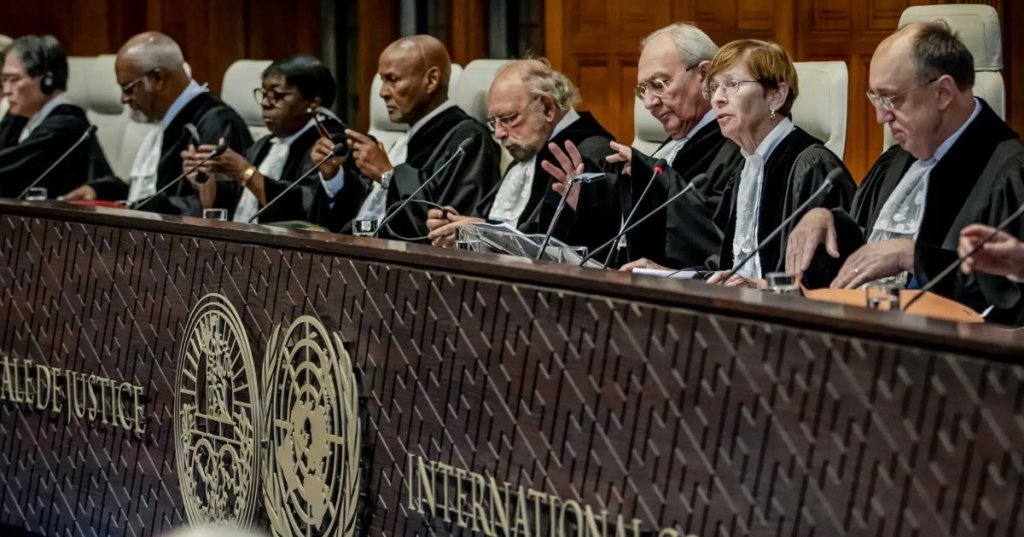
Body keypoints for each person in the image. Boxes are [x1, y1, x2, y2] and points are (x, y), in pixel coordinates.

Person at [785, 21, 1024, 323]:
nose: (880, 116)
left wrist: (913, 257)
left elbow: (1006, 302)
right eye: (876, 98)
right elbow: (867, 248)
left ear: (943, 93)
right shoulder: (896, 160)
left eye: (892, 99)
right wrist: (826, 220)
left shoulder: (1009, 174)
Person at [624, 39, 855, 287]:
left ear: (776, 95)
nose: (717, 100)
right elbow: (728, 269)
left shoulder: (811, 166)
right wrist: (668, 273)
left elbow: (829, 279)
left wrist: (762, 287)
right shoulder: (746, 170)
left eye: (732, 85)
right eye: (713, 88)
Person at [311, 35, 500, 240]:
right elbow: (368, 218)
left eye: (392, 80)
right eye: (382, 81)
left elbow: (447, 231)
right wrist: (334, 177)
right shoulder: (406, 137)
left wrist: (389, 176)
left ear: (431, 80)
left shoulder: (468, 140)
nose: (383, 92)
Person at [423, 58, 615, 251]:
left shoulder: (591, 155)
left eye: (509, 119)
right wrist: (455, 227)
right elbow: (500, 228)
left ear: (547, 108)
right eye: (494, 122)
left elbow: (562, 250)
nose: (498, 133)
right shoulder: (530, 152)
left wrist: (481, 231)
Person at [62, 32, 252, 215]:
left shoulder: (215, 123)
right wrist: (100, 191)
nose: (123, 99)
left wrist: (139, 210)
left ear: (158, 79)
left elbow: (214, 208)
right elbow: (150, 193)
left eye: (128, 89)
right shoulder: (167, 120)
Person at [181, 55, 361, 226]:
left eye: (277, 95)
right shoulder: (265, 145)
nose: (265, 103)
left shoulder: (331, 143)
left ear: (313, 101)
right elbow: (239, 210)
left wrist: (245, 172)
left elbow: (308, 211)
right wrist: (206, 182)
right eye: (264, 93)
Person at [0, 35, 112, 198]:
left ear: (48, 81)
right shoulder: (21, 118)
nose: (6, 90)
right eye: (4, 80)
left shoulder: (66, 123)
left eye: (14, 79)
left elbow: (10, 167)